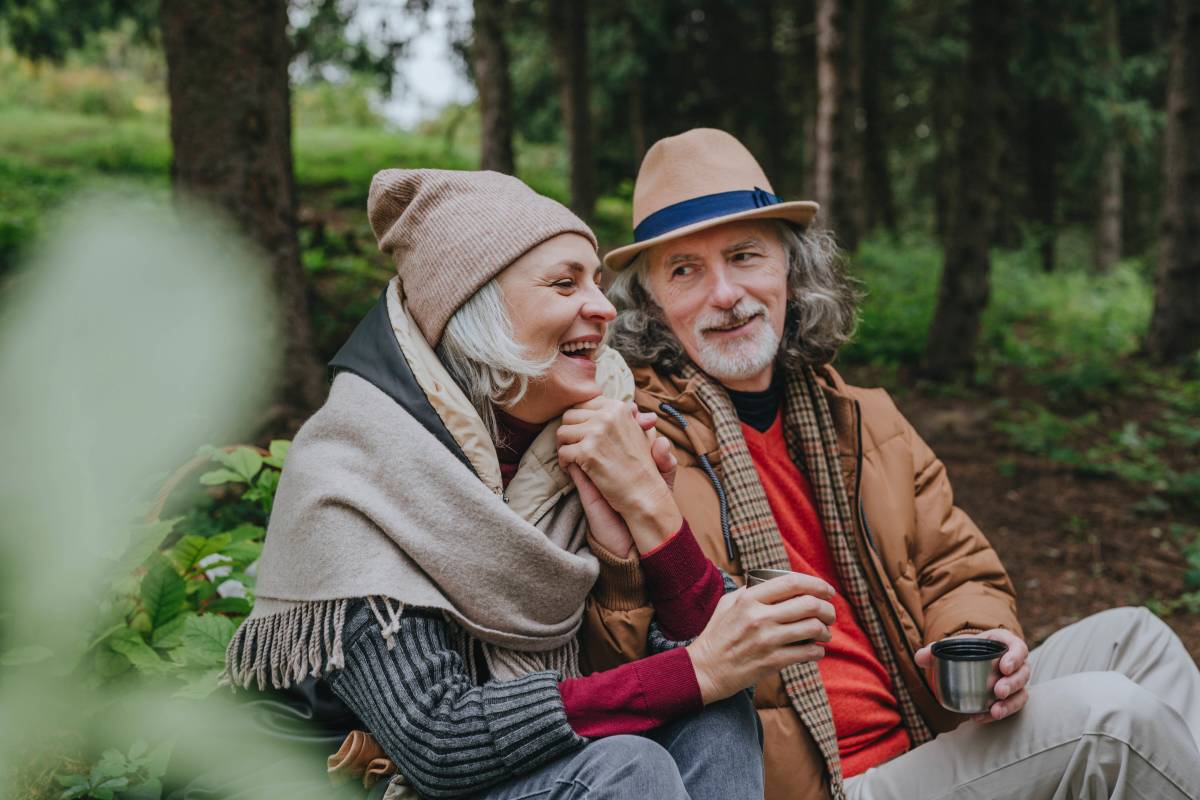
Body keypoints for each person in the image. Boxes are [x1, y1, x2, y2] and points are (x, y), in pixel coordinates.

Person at [605, 127, 1200, 800]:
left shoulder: (861, 417)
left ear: (791, 272)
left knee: (1138, 639)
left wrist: (980, 637)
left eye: (745, 256)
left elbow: (955, 563)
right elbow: (622, 652)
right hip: (824, 783)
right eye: (685, 270)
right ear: (651, 303)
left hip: (923, 727)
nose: (724, 294)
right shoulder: (638, 445)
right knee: (1107, 722)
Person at [224, 168, 835, 800]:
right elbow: (439, 740)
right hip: (357, 784)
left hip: (504, 768)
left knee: (716, 713)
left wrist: (646, 513)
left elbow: (711, 650)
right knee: (630, 764)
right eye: (565, 283)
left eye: (596, 282)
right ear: (475, 309)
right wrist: (698, 668)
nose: (603, 307)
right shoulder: (359, 473)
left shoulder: (578, 436)